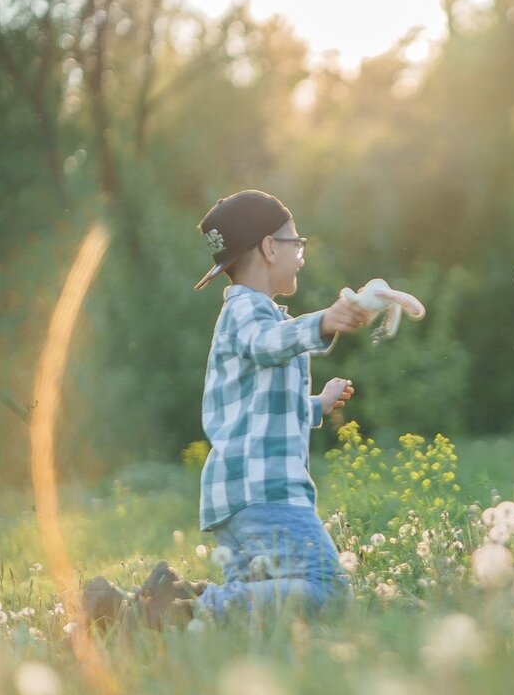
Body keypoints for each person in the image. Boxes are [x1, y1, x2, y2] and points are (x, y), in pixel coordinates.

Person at [84, 190, 374, 630]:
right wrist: (323, 321)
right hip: (266, 493)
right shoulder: (246, 310)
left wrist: (317, 404)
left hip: (241, 495)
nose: (301, 254)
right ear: (269, 247)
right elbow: (265, 345)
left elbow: (259, 409)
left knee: (254, 610)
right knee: (325, 590)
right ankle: (177, 609)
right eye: (297, 243)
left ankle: (155, 601)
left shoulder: (260, 314)